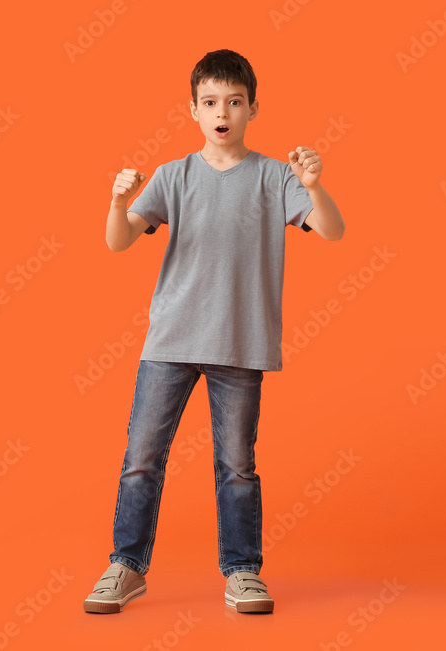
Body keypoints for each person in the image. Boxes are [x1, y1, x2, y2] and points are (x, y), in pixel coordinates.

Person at [84, 48, 345, 615]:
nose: (222, 110)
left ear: (253, 108)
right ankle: (125, 566)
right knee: (141, 458)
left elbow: (331, 231)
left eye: (233, 101)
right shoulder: (173, 176)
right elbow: (118, 240)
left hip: (239, 343)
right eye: (210, 102)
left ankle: (243, 572)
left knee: (237, 466)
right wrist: (117, 200)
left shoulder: (275, 176)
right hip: (171, 341)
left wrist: (314, 184)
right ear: (193, 110)